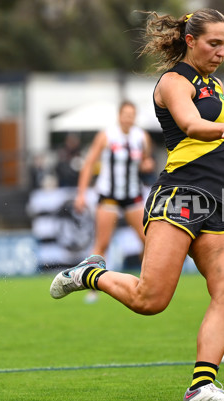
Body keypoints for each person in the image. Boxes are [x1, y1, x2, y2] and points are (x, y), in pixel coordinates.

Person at [50, 8, 224, 401]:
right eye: (214, 43)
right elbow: (190, 127)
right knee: (150, 300)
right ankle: (90, 274)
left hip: (216, 202)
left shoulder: (214, 86)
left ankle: (202, 385)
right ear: (190, 40)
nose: (222, 52)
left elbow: (216, 142)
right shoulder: (173, 82)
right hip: (179, 196)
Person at [73, 101, 154, 303]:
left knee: (148, 240)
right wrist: (81, 194)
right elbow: (89, 163)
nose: (128, 118)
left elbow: (146, 161)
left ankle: (147, 283)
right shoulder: (107, 135)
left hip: (132, 195)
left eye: (131, 114)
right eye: (125, 114)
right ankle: (92, 288)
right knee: (102, 243)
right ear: (119, 116)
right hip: (108, 195)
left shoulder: (141, 137)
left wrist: (147, 164)